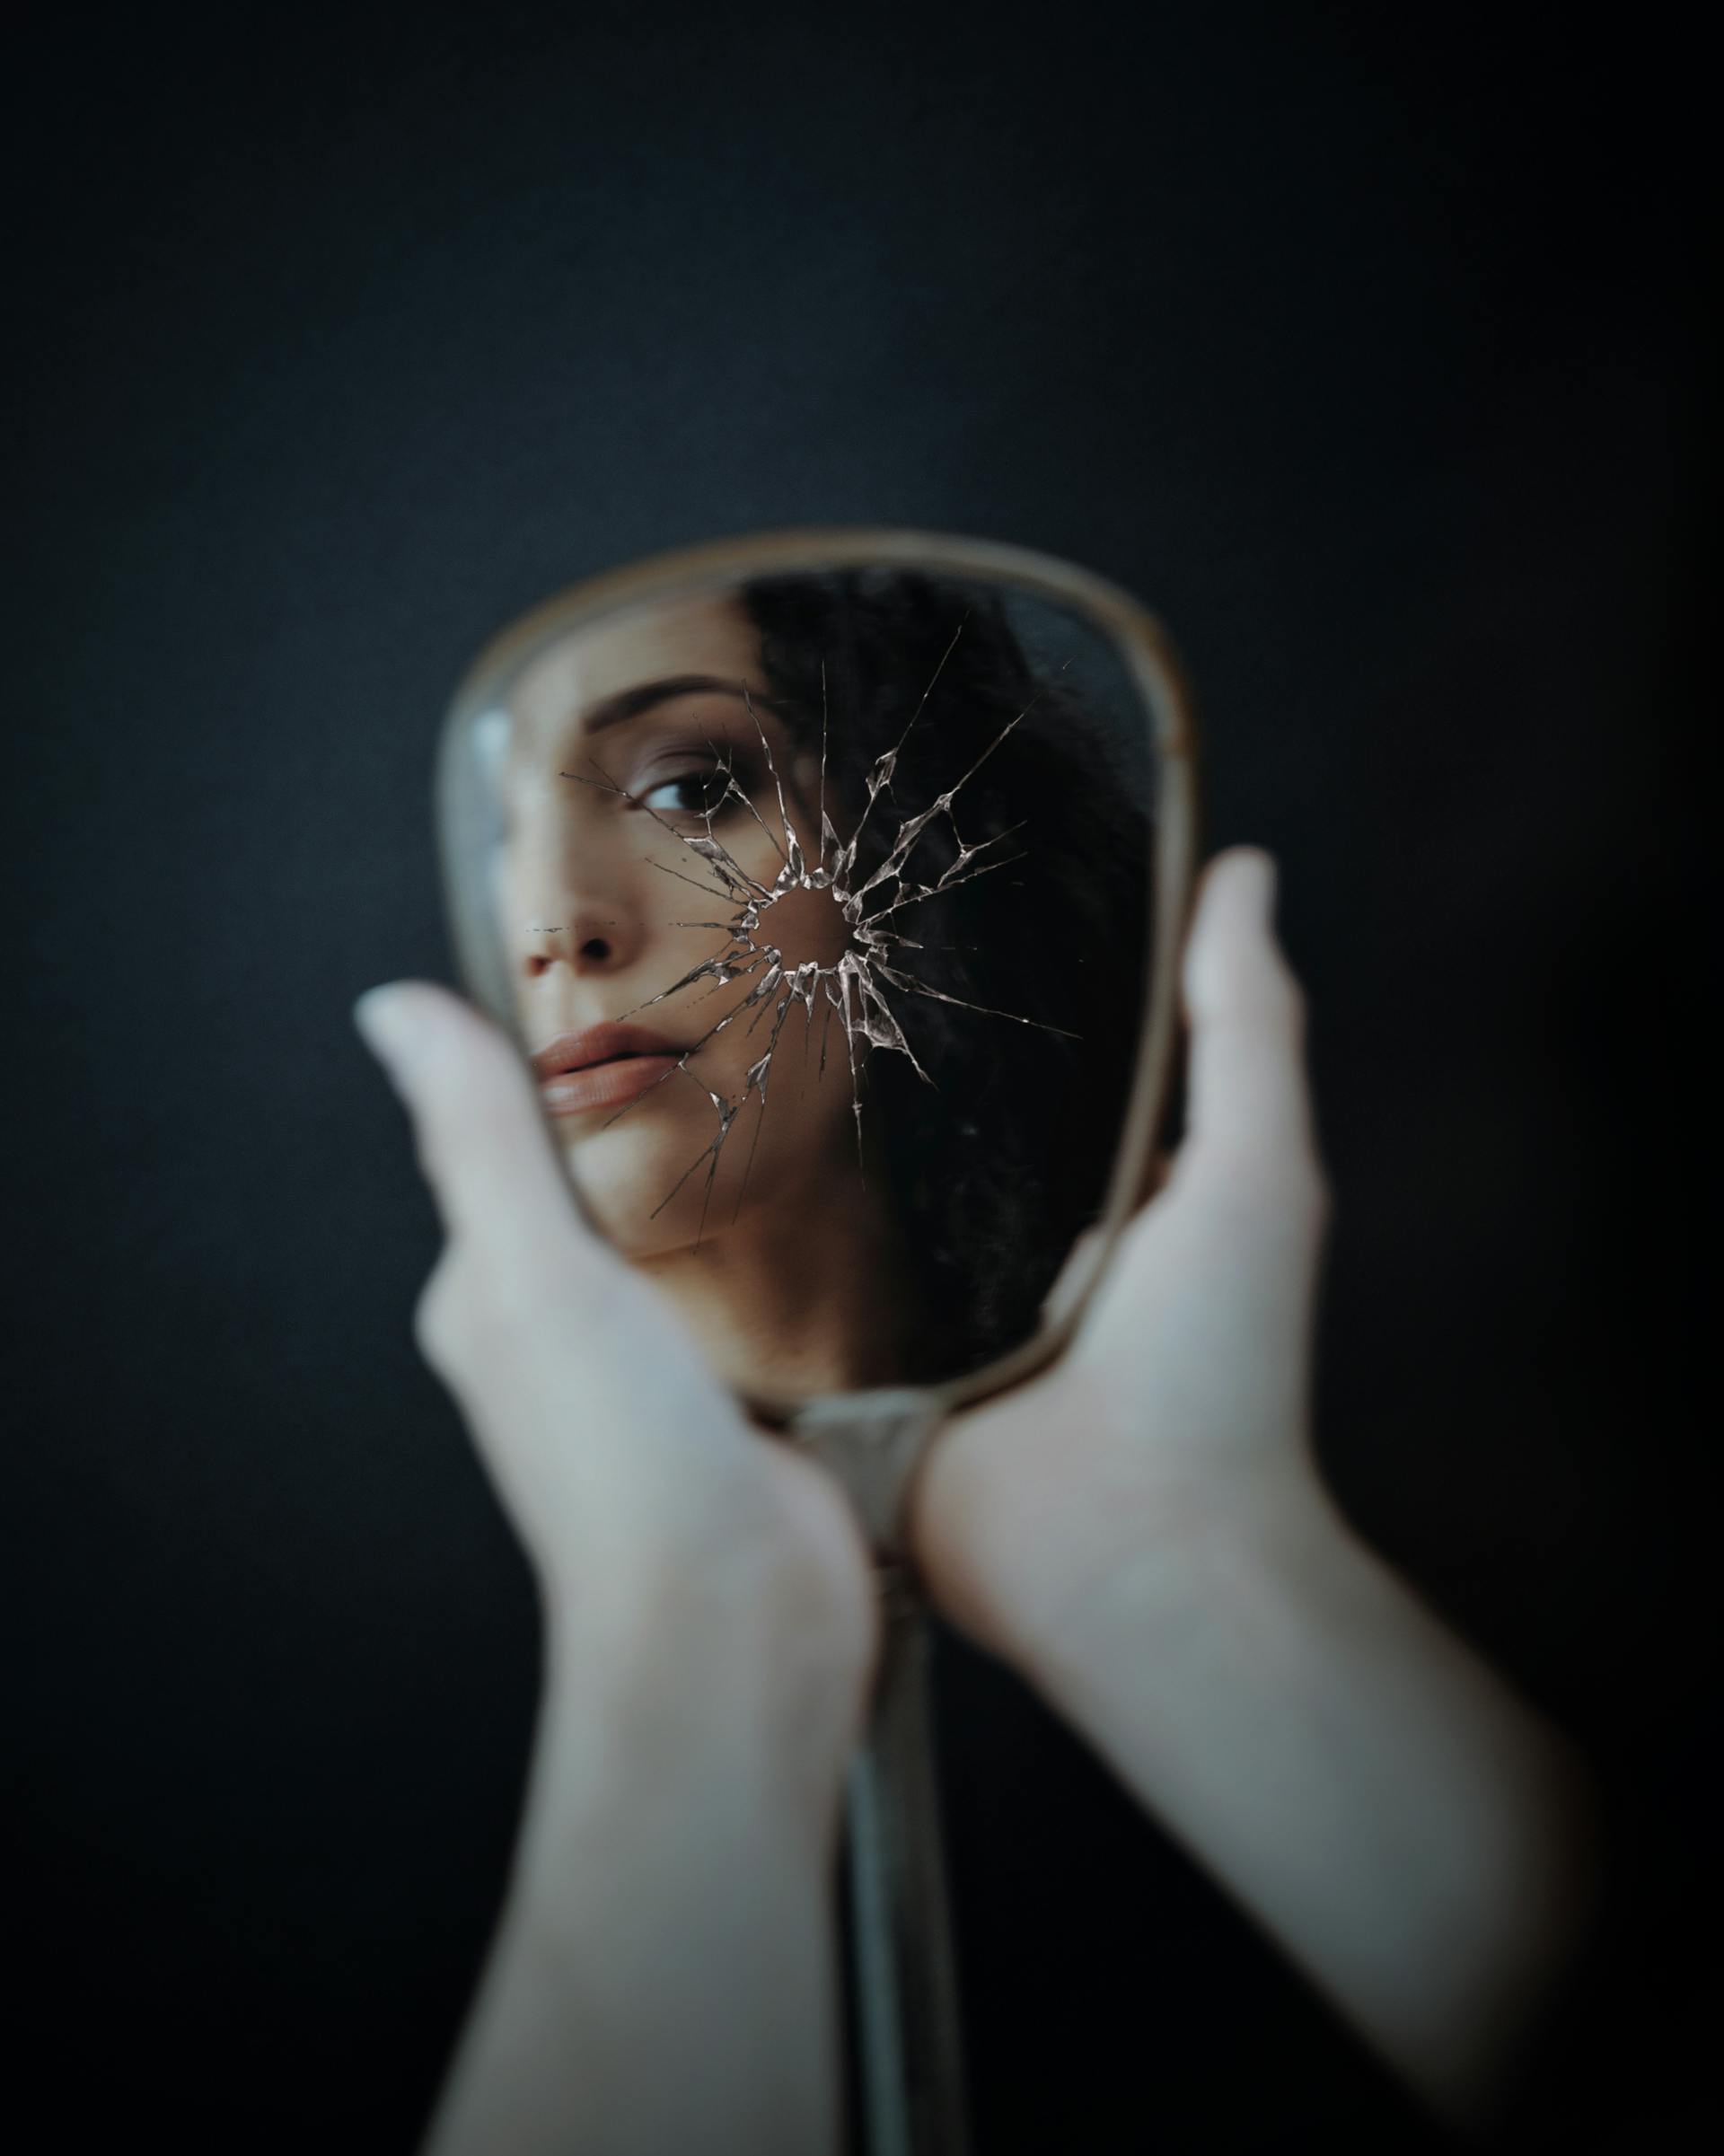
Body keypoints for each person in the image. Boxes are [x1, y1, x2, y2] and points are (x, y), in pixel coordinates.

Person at [354, 606, 1596, 2152]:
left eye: (689, 789)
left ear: (919, 854)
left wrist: (1167, 1554)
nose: (558, 920)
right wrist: (691, 1612)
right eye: (493, 839)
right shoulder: (332, 1736)